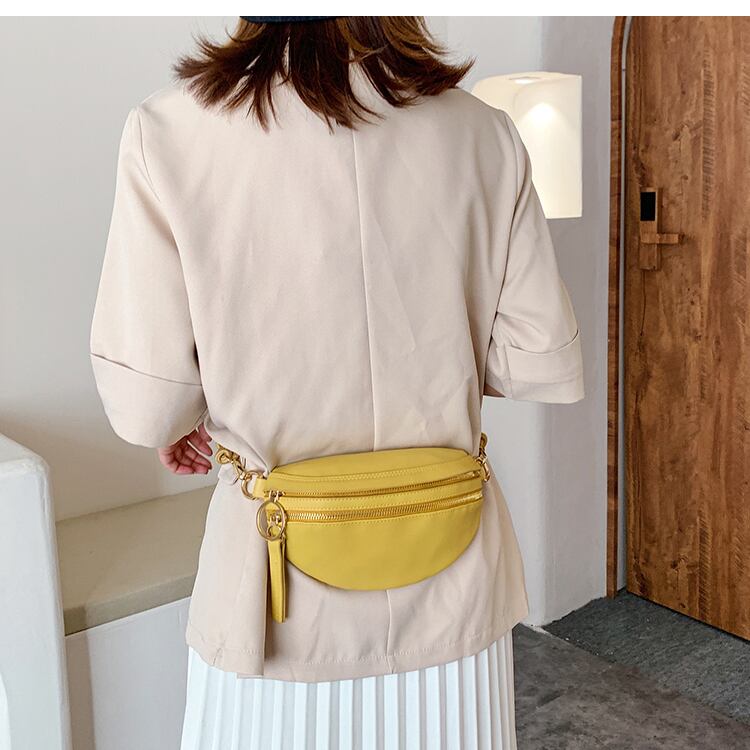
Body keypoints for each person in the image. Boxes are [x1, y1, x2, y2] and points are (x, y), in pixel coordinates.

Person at [90, 15, 584, 749]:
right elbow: (535, 357)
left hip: (275, 598)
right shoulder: (483, 131)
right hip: (450, 582)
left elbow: (147, 407)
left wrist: (190, 412)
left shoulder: (168, 130)